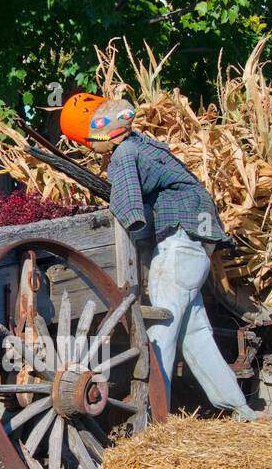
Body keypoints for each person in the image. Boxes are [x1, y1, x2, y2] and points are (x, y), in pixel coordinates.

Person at [59, 92, 258, 420]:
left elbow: (129, 213)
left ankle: (153, 421)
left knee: (159, 336)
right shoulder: (144, 144)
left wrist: (136, 251)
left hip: (177, 244)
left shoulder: (123, 154)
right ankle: (241, 409)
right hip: (197, 244)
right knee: (195, 335)